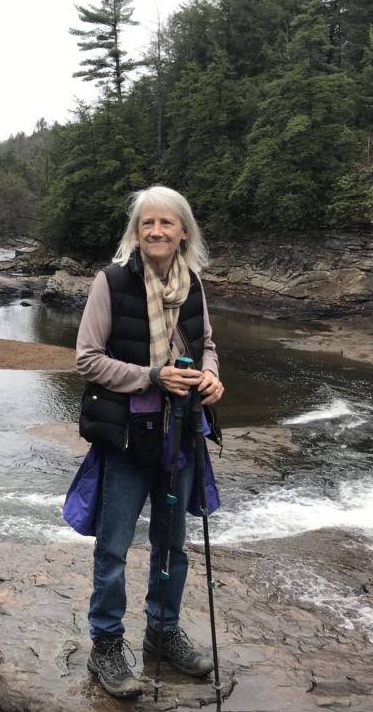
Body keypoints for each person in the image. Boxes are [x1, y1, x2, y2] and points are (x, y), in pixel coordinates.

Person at [75, 185, 224, 698]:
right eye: (147, 224)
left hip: (181, 433)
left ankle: (162, 633)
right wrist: (152, 376)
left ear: (183, 231)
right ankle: (107, 646)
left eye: (166, 223)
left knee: (172, 545)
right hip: (126, 438)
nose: (156, 232)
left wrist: (210, 377)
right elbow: (88, 359)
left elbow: (205, 346)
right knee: (114, 550)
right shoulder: (111, 283)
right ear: (135, 233)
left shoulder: (194, 285)